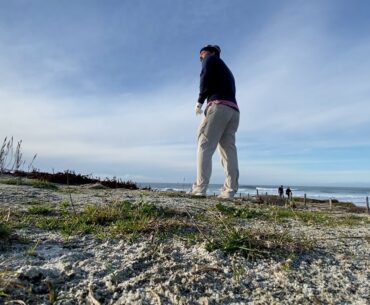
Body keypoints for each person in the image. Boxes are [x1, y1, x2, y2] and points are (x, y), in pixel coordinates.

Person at [190, 45, 240, 199]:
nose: (201, 58)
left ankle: (200, 188)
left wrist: (200, 101)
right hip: (234, 111)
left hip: (218, 107)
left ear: (210, 52)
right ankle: (229, 191)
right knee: (228, 150)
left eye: (201, 54)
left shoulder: (210, 58)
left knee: (204, 144)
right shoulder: (228, 71)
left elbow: (205, 76)